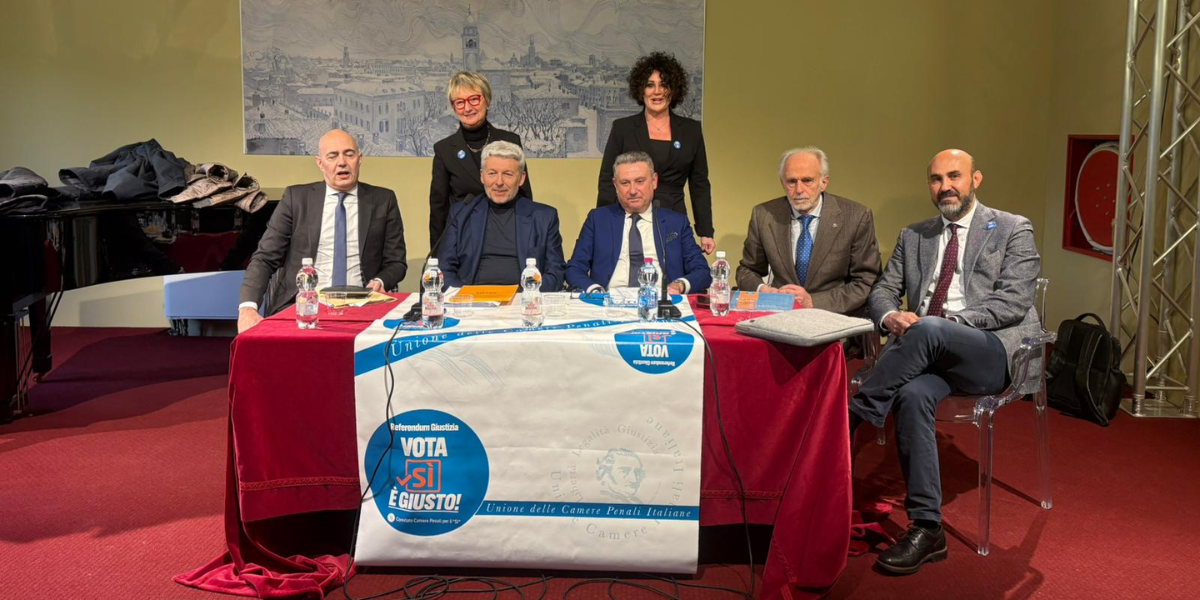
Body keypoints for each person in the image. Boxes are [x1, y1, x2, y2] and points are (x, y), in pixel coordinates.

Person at [850, 149, 1041, 574]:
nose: (945, 186)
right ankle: (927, 528)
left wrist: (947, 324)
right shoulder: (913, 235)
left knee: (931, 328)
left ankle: (854, 416)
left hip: (989, 353)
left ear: (976, 179)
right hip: (928, 358)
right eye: (936, 179)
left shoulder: (1012, 228)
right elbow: (883, 291)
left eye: (954, 176)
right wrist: (890, 316)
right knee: (913, 397)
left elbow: (1013, 302)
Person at [237, 129, 407, 333]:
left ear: (360, 159)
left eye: (349, 154)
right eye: (332, 156)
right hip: (302, 305)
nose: (342, 162)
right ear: (319, 163)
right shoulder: (296, 199)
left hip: (363, 305)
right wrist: (247, 308)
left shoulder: (383, 200)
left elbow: (396, 262)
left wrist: (380, 281)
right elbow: (264, 258)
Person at [736, 147, 881, 313]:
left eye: (807, 180)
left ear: (824, 182)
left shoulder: (856, 217)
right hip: (779, 316)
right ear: (782, 183)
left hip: (833, 316)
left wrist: (813, 302)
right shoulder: (763, 215)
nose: (799, 190)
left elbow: (866, 281)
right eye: (791, 181)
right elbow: (747, 270)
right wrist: (762, 290)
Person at [597, 52, 714, 254]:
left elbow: (699, 183)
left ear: (673, 90)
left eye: (664, 85)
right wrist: (603, 224)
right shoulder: (623, 128)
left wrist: (706, 231)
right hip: (630, 217)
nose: (657, 92)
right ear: (641, 90)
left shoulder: (691, 130)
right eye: (650, 85)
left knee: (674, 271)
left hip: (674, 218)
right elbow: (608, 180)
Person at [567, 152, 712, 295]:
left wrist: (679, 285)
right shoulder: (598, 219)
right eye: (625, 183)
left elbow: (702, 271)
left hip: (661, 301)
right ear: (615, 185)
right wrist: (595, 291)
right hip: (608, 301)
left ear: (654, 181)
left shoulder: (676, 222)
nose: (633, 190)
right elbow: (574, 268)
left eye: (640, 181)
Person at [437, 140, 565, 291]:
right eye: (492, 173)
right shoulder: (461, 213)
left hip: (524, 299)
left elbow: (556, 272)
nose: (499, 182)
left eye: (508, 174)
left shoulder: (544, 217)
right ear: (482, 176)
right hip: (472, 299)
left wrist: (527, 295)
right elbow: (444, 268)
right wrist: (465, 296)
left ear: (521, 178)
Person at [429, 72, 533, 251]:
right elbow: (439, 210)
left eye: (474, 99)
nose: (467, 108)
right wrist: (437, 258)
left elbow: (524, 197)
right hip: (463, 243)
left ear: (487, 100)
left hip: (507, 238)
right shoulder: (444, 150)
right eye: (460, 102)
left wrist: (529, 245)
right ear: (454, 108)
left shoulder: (510, 141)